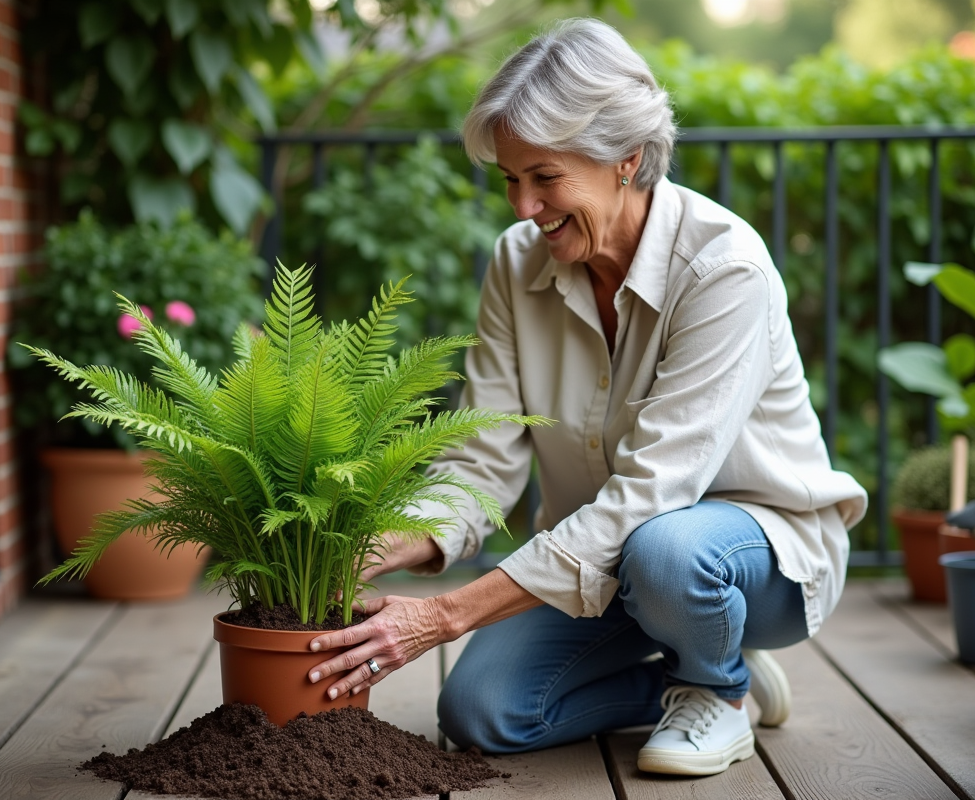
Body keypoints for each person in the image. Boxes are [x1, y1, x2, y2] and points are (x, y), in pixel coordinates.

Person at [306, 17, 868, 777]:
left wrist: (442, 616)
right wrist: (387, 545)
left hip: (753, 561)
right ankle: (677, 679)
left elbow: (652, 496)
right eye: (509, 178)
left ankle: (717, 685)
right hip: (599, 564)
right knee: (481, 713)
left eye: (544, 177)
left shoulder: (723, 268)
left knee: (667, 550)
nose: (521, 206)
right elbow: (483, 460)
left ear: (626, 160)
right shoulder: (516, 263)